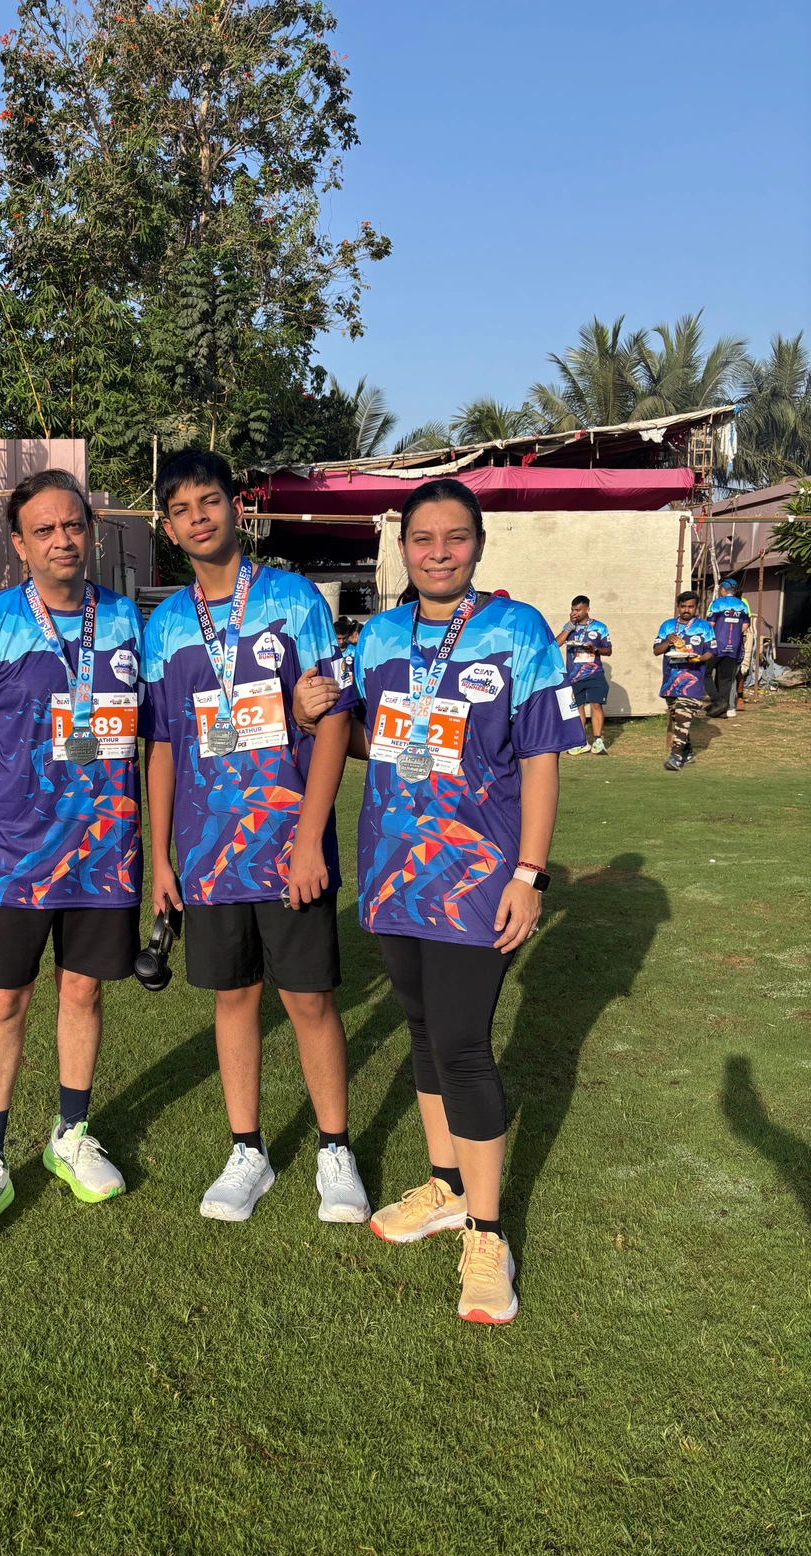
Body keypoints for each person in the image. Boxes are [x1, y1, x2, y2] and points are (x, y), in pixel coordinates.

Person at [295, 479, 585, 1323]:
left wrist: (530, 874)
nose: (438, 553)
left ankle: (488, 1235)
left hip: (478, 877)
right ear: (403, 549)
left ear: (478, 545)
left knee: (461, 1045)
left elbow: (540, 757)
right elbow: (364, 736)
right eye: (422, 539)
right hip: (396, 873)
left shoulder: (518, 630)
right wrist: (311, 713)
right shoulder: (381, 636)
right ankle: (446, 1185)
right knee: (423, 1033)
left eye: (455, 538)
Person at [141, 448, 369, 1226]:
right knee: (234, 998)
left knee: (308, 999)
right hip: (207, 855)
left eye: (209, 501)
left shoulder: (293, 599)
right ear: (168, 528)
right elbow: (162, 745)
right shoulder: (166, 625)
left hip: (287, 848)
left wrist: (309, 840)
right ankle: (248, 1150)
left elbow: (333, 715)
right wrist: (162, 857)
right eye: (181, 510)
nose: (198, 518)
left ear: (237, 507)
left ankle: (335, 1149)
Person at [0, 469, 144, 1239]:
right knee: (3, 1003)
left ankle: (70, 1135)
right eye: (44, 529)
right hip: (7, 856)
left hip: (104, 855)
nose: (62, 540)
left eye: (73, 525)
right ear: (19, 545)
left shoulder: (126, 621)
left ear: (91, 532)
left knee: (83, 994)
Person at [654, 592, 716, 771]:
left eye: (690, 606)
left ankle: (675, 757)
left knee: (683, 715)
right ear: (678, 607)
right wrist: (667, 641)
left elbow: (712, 651)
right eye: (683, 606)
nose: (686, 610)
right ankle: (687, 753)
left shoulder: (704, 626)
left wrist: (699, 658)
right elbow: (657, 650)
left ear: (696, 608)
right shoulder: (667, 625)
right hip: (671, 680)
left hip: (693, 679)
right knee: (679, 718)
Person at [554, 594, 612, 755]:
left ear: (587, 609)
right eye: (573, 610)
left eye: (578, 610)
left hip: (594, 672)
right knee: (577, 707)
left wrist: (595, 649)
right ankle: (581, 742)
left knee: (596, 705)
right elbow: (556, 644)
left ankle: (598, 741)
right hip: (574, 675)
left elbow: (608, 650)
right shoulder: (569, 627)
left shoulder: (599, 627)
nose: (575, 613)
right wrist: (569, 627)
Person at [705, 577, 751, 719]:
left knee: (705, 673)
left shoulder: (717, 603)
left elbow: (710, 625)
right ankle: (723, 710)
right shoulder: (742, 605)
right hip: (734, 647)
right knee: (726, 679)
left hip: (716, 646)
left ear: (723, 590)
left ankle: (716, 701)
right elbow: (745, 626)